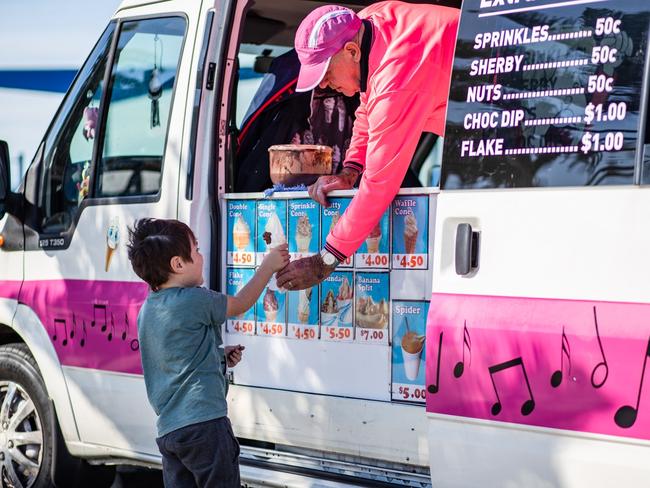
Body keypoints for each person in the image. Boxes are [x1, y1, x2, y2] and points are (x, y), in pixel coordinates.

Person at [276, 2, 459, 291]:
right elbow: (367, 105)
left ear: (351, 51)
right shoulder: (365, 22)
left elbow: (379, 184)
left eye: (325, 71)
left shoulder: (397, 77)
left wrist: (324, 261)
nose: (323, 83)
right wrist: (350, 170)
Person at [127, 218, 289, 487]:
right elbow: (240, 304)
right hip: (206, 427)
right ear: (178, 264)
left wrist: (219, 356)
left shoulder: (148, 310)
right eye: (197, 250)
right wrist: (267, 267)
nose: (202, 256)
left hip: (171, 433)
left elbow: (175, 359)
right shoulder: (194, 299)